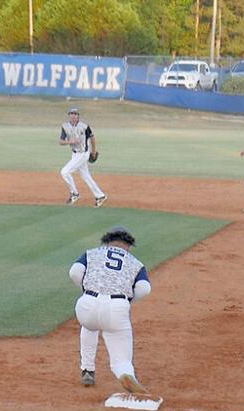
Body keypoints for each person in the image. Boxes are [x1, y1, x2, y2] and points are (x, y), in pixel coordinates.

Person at [68, 226, 153, 395]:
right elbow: (144, 288)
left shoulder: (92, 253)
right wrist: (128, 299)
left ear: (107, 242)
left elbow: (74, 272)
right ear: (128, 245)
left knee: (89, 326)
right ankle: (125, 374)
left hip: (86, 305)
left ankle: (87, 370)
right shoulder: (135, 262)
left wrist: (86, 288)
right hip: (116, 308)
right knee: (121, 360)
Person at [59, 107, 107, 207]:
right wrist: (70, 142)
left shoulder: (84, 126)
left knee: (64, 172)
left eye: (75, 114)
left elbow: (92, 138)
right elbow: (61, 141)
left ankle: (75, 193)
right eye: (71, 114)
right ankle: (100, 196)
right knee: (86, 176)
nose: (73, 115)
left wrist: (93, 151)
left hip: (83, 154)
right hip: (74, 154)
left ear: (78, 116)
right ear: (69, 115)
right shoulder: (65, 126)